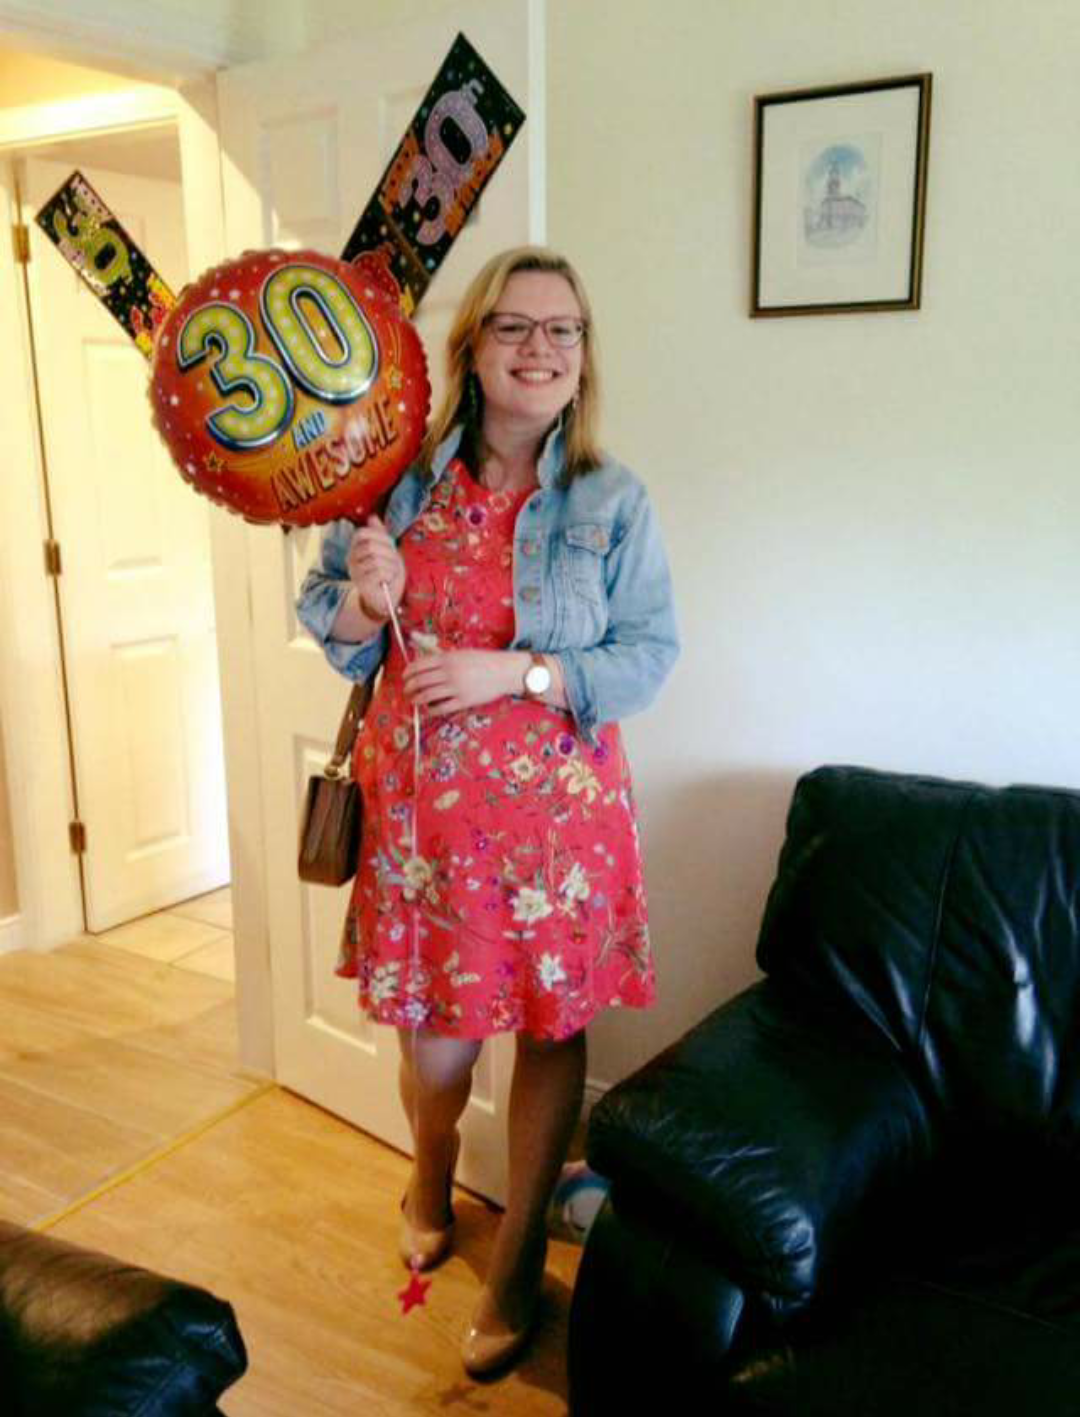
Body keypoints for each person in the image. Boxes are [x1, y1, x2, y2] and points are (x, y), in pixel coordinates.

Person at [296, 246, 678, 1377]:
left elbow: (649, 653)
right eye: (517, 326)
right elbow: (330, 623)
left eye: (565, 330)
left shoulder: (613, 499)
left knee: (554, 1030)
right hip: (426, 829)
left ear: (584, 357)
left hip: (561, 823)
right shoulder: (393, 480)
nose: (542, 349)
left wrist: (514, 672)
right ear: (473, 342)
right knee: (439, 1039)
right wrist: (366, 602)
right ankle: (429, 1167)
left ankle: (515, 1260)